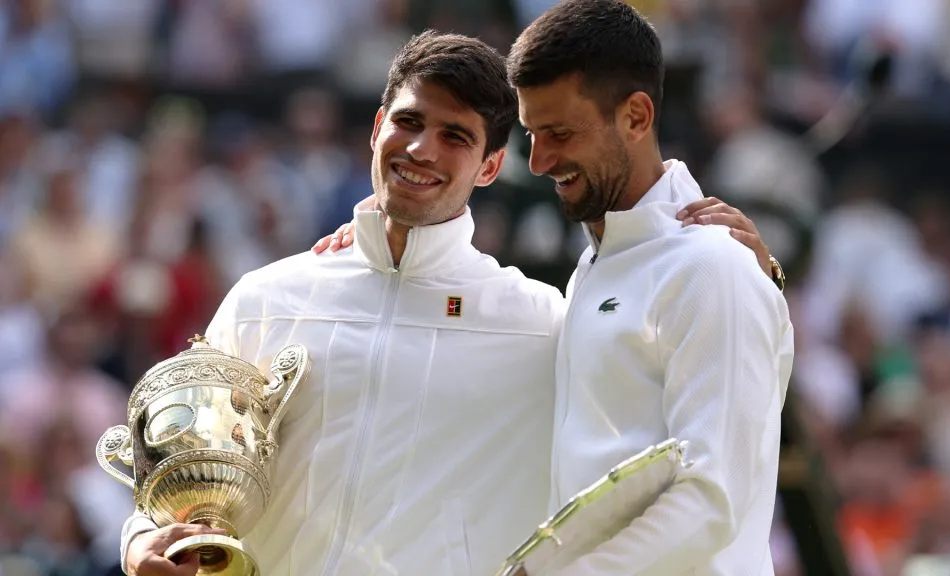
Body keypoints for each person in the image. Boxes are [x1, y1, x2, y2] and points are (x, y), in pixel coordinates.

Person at [119, 31, 565, 576]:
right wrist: (141, 538)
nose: (422, 149)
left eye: (456, 136)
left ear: (491, 167)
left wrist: (689, 225)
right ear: (378, 129)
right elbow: (181, 461)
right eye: (410, 122)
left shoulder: (542, 323)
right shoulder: (267, 297)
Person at [507, 1, 793, 574]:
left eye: (558, 133)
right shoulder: (595, 266)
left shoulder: (714, 266)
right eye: (532, 134)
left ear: (637, 117)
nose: (539, 161)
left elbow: (712, 501)